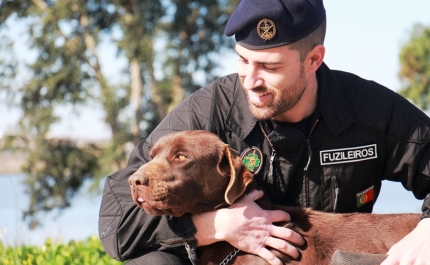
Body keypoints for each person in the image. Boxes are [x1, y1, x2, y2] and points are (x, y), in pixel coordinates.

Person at [98, 0, 430, 264]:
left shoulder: (370, 110)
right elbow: (117, 222)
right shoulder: (209, 110)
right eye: (243, 60)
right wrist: (214, 227)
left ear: (313, 59)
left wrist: (427, 230)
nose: (251, 80)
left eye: (270, 67)